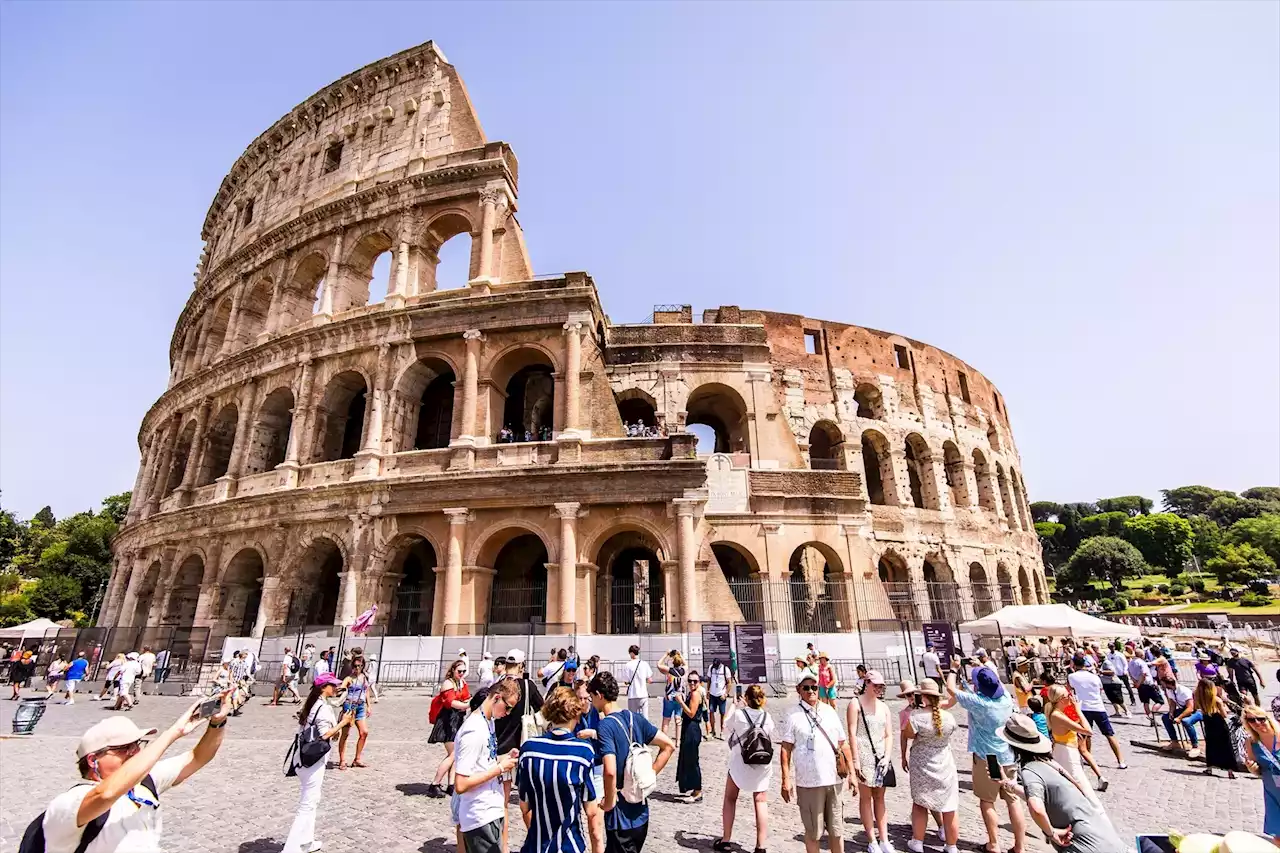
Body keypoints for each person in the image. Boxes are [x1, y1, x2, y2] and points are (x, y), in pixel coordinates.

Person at [36, 692, 232, 852]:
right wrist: (173, 733)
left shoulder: (144, 783)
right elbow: (106, 794)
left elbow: (197, 758)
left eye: (137, 745)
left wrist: (217, 723)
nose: (136, 752)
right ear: (93, 759)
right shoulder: (69, 802)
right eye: (124, 748)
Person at [995, 714, 1126, 853]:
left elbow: (1037, 808)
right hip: (1106, 838)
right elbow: (1040, 796)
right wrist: (1010, 785)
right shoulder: (1051, 764)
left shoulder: (1030, 771)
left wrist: (1051, 833)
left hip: (1084, 846)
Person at [588, 670, 676, 853]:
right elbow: (669, 746)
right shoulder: (634, 718)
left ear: (599, 695)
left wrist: (609, 802)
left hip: (620, 815)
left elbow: (610, 771)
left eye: (591, 697)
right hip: (641, 811)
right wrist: (648, 775)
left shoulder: (605, 725)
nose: (591, 702)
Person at [944, 667, 1027, 853]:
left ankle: (994, 844)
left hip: (987, 758)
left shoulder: (980, 703)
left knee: (987, 800)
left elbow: (951, 689)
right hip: (1009, 754)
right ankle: (1020, 847)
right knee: (1013, 800)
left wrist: (953, 669)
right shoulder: (1005, 697)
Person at [518, 686, 604, 853]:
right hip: (569, 844)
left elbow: (524, 807)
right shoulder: (583, 752)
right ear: (576, 713)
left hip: (536, 845)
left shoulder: (529, 749)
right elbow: (591, 811)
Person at [281, 673, 355, 853]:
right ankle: (290, 848)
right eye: (333, 685)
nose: (336, 688)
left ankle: (306, 841)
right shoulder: (321, 707)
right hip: (312, 761)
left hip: (303, 758)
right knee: (307, 804)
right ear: (324, 688)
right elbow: (324, 735)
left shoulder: (314, 703)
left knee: (313, 800)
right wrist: (343, 722)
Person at [781, 671, 851, 853]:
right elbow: (785, 749)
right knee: (813, 832)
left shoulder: (830, 711)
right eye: (806, 687)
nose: (811, 691)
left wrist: (852, 773)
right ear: (798, 690)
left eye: (814, 687)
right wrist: (786, 779)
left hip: (834, 780)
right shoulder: (792, 715)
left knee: (837, 831)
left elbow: (843, 744)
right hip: (809, 783)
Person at [456, 678, 522, 853]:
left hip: (491, 809)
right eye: (507, 707)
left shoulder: (488, 722)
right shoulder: (473, 730)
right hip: (479, 814)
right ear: (496, 698)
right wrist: (499, 769)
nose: (507, 713)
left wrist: (503, 758)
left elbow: (483, 762)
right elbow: (461, 784)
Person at [903, 679, 959, 853]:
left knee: (920, 803)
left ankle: (918, 841)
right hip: (944, 761)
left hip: (922, 764)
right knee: (950, 806)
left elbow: (909, 734)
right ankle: (951, 845)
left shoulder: (916, 717)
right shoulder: (949, 717)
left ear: (924, 696)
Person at [716, 684, 774, 853]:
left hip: (740, 763)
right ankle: (761, 846)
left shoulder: (739, 714)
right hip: (762, 763)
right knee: (761, 800)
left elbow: (725, 725)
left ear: (746, 698)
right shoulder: (767, 717)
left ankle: (726, 840)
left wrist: (734, 704)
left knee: (730, 798)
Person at [847, 669, 892, 853]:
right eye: (876, 685)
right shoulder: (855, 704)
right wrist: (855, 760)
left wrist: (888, 756)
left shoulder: (884, 707)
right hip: (864, 753)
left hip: (881, 755)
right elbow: (852, 733)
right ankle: (872, 840)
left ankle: (884, 839)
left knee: (880, 798)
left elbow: (889, 734)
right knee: (866, 798)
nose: (879, 689)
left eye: (882, 686)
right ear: (867, 684)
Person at [1043, 684, 1106, 808]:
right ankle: (1095, 810)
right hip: (1066, 752)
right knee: (1080, 783)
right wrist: (1078, 710)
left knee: (1073, 783)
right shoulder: (1057, 715)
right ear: (1061, 699)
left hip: (1066, 750)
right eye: (1068, 696)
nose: (1071, 698)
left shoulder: (1058, 713)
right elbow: (1088, 730)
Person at [1066, 654, 1127, 770]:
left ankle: (1088, 756)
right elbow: (1100, 690)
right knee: (1110, 734)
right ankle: (1121, 760)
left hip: (1083, 708)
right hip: (1098, 707)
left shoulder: (1072, 676)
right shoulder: (1095, 677)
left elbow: (1069, 691)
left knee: (1085, 734)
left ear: (1074, 664)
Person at [428, 659, 472, 797]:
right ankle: (434, 784)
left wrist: (467, 703)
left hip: (457, 719)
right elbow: (450, 703)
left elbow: (466, 697)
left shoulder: (461, 682)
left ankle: (451, 784)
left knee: (456, 754)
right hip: (448, 720)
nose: (462, 674)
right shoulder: (448, 683)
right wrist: (467, 705)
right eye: (459, 671)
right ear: (453, 670)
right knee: (453, 754)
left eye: (464, 671)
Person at [1242, 705, 1280, 843]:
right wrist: (1252, 768)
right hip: (1273, 793)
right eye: (1252, 720)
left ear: (1268, 718)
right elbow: (1257, 771)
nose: (1257, 723)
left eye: (1260, 719)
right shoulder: (1252, 743)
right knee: (1278, 835)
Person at [1197, 677, 1239, 778]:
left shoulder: (1199, 697)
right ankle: (1230, 771)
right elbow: (1224, 715)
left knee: (1211, 745)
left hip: (1207, 721)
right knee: (1226, 746)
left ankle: (1209, 768)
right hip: (1218, 722)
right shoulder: (1216, 700)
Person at [336, 655, 372, 769]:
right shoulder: (349, 678)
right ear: (352, 666)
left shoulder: (364, 677)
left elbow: (366, 691)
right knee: (345, 734)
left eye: (360, 666)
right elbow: (341, 688)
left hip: (360, 707)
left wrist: (369, 706)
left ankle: (357, 759)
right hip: (350, 707)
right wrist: (341, 688)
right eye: (356, 666)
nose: (358, 668)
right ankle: (342, 760)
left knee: (364, 732)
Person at [674, 670, 704, 803]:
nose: (692, 683)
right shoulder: (692, 693)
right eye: (690, 680)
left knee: (692, 760)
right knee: (688, 758)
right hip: (688, 728)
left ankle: (698, 791)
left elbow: (692, 713)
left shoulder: (696, 694)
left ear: (699, 682)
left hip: (692, 729)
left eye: (695, 681)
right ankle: (693, 788)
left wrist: (680, 702)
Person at [1160, 675, 1203, 754]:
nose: (1161, 686)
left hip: (1196, 711)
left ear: (1168, 684)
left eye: (1163, 684)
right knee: (1165, 718)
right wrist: (1171, 712)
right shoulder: (1169, 690)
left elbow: (1190, 708)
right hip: (1182, 709)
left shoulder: (1183, 691)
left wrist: (1179, 717)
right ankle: (1175, 742)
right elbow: (1172, 702)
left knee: (1186, 721)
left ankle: (1195, 745)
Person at [658, 651, 686, 738]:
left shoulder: (669, 671)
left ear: (673, 662)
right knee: (678, 720)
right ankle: (678, 741)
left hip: (669, 697)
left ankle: (664, 739)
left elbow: (658, 664)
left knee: (666, 720)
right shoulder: (684, 670)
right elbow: (685, 663)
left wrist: (666, 654)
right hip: (680, 697)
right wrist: (680, 654)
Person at [1128, 649, 1161, 719]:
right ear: (1141, 655)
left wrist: (1136, 682)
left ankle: (1151, 719)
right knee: (1160, 701)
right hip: (1147, 684)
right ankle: (1152, 714)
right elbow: (1144, 674)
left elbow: (1130, 674)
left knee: (1146, 702)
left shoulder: (1130, 663)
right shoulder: (1141, 662)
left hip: (1140, 685)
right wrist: (1139, 683)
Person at [622, 645, 652, 718]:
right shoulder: (645, 664)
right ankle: (644, 729)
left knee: (633, 717)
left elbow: (626, 681)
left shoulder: (628, 665)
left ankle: (634, 729)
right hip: (643, 694)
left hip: (633, 694)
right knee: (645, 717)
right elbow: (649, 680)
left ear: (632, 653)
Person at [707, 658, 732, 738]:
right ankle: (713, 731)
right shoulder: (711, 668)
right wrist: (708, 691)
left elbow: (729, 683)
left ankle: (722, 732)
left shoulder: (725, 669)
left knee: (722, 713)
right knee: (711, 712)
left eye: (717, 666)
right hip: (712, 694)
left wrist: (726, 694)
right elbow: (709, 680)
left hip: (721, 694)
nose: (715, 667)